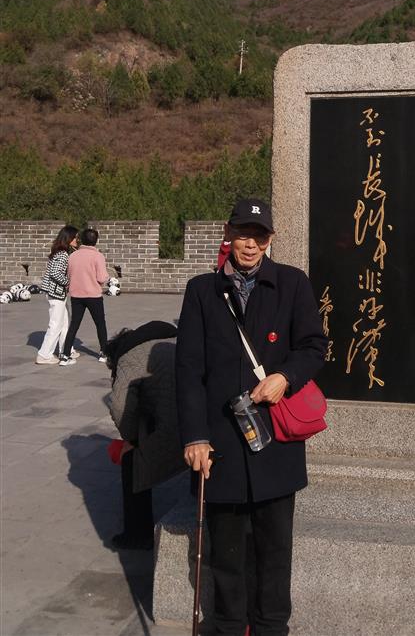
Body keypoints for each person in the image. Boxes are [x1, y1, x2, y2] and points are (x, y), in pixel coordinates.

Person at [176, 198, 327, 636]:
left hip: (274, 439)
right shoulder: (202, 291)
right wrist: (194, 436)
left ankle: (271, 627)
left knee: (275, 549)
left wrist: (285, 377)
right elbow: (188, 370)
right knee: (225, 552)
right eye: (242, 233)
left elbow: (314, 346)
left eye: (258, 236)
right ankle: (228, 626)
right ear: (228, 233)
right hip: (220, 441)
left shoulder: (292, 284)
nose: (250, 244)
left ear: (270, 239)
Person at [106, 320, 185, 550]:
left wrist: (131, 439)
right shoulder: (174, 339)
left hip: (177, 428)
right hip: (204, 422)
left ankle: (137, 534)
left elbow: (119, 406)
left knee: (131, 460)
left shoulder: (129, 358)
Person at [60, 227, 110, 365]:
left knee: (74, 325)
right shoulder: (98, 256)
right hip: (93, 295)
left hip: (76, 295)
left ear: (82, 239)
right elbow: (101, 278)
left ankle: (65, 355)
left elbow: (69, 275)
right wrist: (106, 277)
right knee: (100, 324)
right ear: (96, 241)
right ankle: (103, 353)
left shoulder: (73, 256)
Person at [35, 225, 80, 364]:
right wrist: (68, 282)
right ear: (68, 238)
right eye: (75, 237)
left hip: (57, 293)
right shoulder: (62, 254)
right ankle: (44, 355)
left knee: (65, 323)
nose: (77, 240)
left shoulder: (60, 252)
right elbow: (55, 273)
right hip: (56, 294)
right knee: (56, 324)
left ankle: (65, 350)